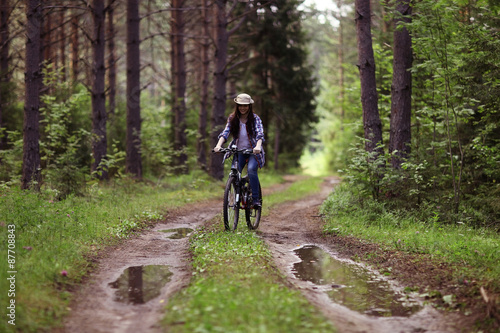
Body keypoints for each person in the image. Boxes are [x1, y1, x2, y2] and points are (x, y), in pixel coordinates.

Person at [214, 93, 265, 208]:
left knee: (251, 170)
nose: (243, 108)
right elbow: (225, 133)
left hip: (253, 152)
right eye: (240, 105)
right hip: (238, 151)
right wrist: (218, 145)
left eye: (245, 105)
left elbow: (259, 134)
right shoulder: (233, 118)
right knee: (234, 172)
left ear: (249, 106)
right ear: (237, 106)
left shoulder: (255, 118)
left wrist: (258, 146)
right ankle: (237, 195)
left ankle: (256, 199)